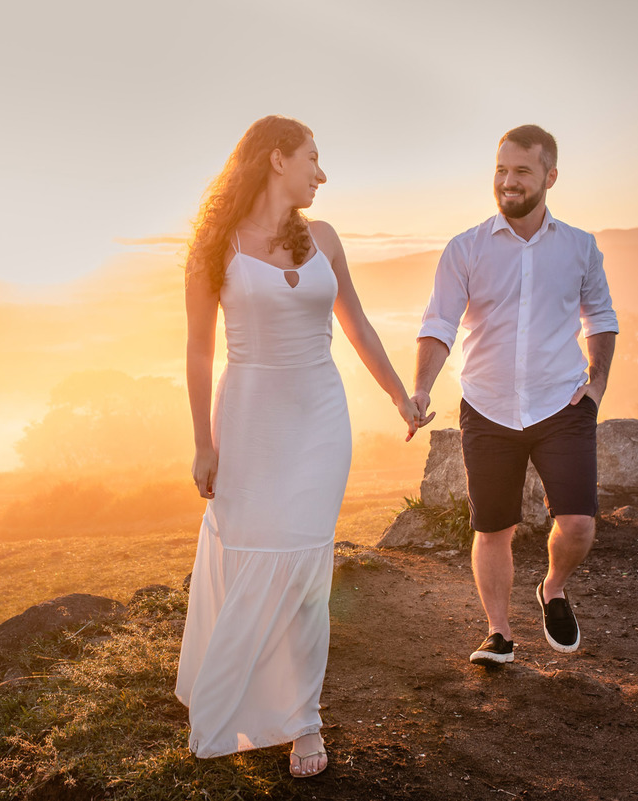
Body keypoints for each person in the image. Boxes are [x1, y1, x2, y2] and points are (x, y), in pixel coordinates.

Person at [174, 115, 424, 778]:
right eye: (314, 158)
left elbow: (360, 325)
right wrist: (203, 441)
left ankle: (302, 719)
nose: (323, 172)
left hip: (320, 416)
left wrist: (400, 394)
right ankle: (230, 690)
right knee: (255, 549)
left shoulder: (325, 239)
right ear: (278, 158)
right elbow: (198, 353)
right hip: (250, 418)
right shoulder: (214, 248)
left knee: (307, 561)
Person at [413, 124, 618, 666]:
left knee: (577, 524)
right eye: (501, 170)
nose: (508, 181)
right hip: (487, 406)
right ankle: (498, 634)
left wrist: (596, 383)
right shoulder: (465, 248)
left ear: (550, 177)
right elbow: (439, 323)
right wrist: (419, 387)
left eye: (521, 171)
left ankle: (552, 587)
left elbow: (599, 315)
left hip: (562, 405)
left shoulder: (580, 247)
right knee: (493, 527)